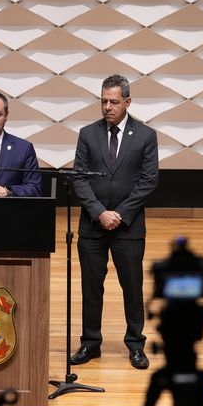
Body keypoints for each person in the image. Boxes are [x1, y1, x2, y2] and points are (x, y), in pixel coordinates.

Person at [70, 74, 159, 370]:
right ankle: (90, 343)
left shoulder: (146, 136)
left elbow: (148, 181)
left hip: (129, 227)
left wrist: (120, 214)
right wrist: (99, 212)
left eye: (114, 102)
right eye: (103, 101)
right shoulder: (87, 133)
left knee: (132, 287)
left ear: (128, 102)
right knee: (91, 286)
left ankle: (135, 344)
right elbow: (79, 178)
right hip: (92, 226)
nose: (107, 107)